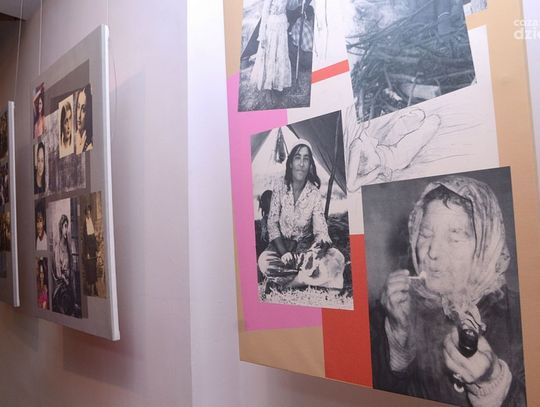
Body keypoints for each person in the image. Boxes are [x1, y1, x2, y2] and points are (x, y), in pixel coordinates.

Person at [371, 175, 526, 406]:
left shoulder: (522, 317)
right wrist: (397, 339)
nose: (432, 252)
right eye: (425, 234)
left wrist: (494, 384)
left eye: (454, 239)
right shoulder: (397, 309)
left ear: (486, 246)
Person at [258, 141, 345, 293]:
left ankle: (293, 282)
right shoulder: (280, 185)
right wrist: (284, 253)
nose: (302, 163)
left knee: (337, 258)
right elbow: (272, 223)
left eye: (306, 158)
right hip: (281, 249)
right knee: (264, 261)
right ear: (291, 162)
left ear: (310, 164)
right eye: (298, 157)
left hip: (305, 251)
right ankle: (312, 278)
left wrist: (319, 247)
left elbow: (320, 229)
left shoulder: (314, 193)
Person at [345, 106, 441, 192]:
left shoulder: (360, 137)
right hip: (394, 159)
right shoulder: (356, 146)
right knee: (434, 122)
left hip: (385, 144)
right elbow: (351, 186)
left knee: (419, 114)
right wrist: (378, 171)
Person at [250, 0, 292, 92]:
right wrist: (262, 35)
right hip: (272, 27)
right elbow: (265, 13)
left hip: (282, 25)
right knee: (270, 53)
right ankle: (268, 82)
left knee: (280, 54)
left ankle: (279, 81)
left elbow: (288, 7)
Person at [53, 214, 76, 315]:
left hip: (69, 282)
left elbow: (71, 264)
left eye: (67, 226)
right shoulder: (57, 248)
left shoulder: (68, 246)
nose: (66, 229)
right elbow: (58, 272)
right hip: (61, 285)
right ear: (61, 227)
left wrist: (69, 278)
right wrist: (65, 280)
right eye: (65, 226)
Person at [83, 205, 98, 296]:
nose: (89, 214)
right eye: (87, 213)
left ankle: (95, 287)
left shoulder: (91, 221)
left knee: (94, 268)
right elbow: (85, 239)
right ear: (86, 213)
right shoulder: (85, 223)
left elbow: (94, 237)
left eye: (89, 212)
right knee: (90, 269)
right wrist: (87, 252)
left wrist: (96, 249)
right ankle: (92, 289)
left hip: (93, 249)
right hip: (88, 249)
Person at [75, 85, 93, 154]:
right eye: (78, 107)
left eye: (83, 109)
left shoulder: (89, 145)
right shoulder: (75, 139)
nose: (79, 115)